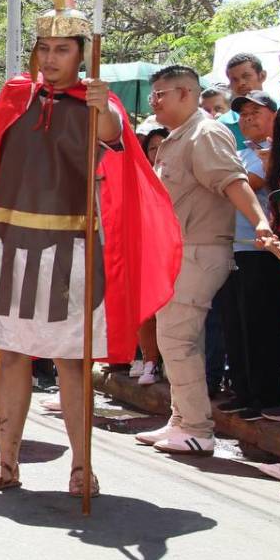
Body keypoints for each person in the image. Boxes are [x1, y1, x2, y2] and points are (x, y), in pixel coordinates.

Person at [0, 0, 181, 494]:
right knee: (10, 356)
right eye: (44, 49)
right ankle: (7, 465)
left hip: (71, 246)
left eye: (62, 49)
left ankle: (81, 467)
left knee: (72, 361)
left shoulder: (97, 101)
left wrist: (105, 111)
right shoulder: (12, 97)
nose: (51, 59)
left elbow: (117, 141)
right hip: (8, 242)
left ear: (81, 53)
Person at [134, 68, 271, 455]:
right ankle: (182, 419)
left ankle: (195, 426)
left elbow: (232, 180)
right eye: (153, 95)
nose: (154, 102)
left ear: (184, 93)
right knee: (176, 336)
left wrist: (260, 223)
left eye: (160, 94)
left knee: (177, 337)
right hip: (182, 250)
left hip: (200, 248)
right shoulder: (179, 137)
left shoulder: (205, 133)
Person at [213, 90, 280, 423]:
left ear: (274, 116)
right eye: (243, 115)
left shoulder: (277, 154)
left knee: (261, 325)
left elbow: (246, 184)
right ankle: (244, 392)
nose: (248, 119)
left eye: (256, 112)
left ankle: (266, 396)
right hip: (232, 247)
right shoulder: (240, 153)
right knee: (236, 324)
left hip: (263, 250)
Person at [128, 121, 170, 387]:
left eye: (162, 146)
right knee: (146, 311)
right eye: (152, 147)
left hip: (174, 250)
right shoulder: (140, 174)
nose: (157, 152)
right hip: (147, 249)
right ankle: (150, 360)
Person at [220, 53, 267, 150]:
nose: (241, 83)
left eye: (246, 76)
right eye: (234, 79)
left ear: (262, 76)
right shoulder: (222, 127)